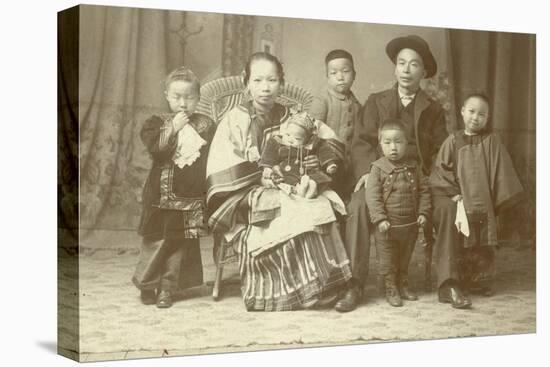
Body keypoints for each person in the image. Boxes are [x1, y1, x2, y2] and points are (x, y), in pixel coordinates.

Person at [206, 52, 352, 311]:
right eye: (258, 80)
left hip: (292, 184)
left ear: (281, 83)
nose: (265, 87)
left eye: (272, 80)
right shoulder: (234, 119)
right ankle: (286, 291)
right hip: (247, 190)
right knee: (286, 209)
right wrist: (261, 175)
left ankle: (321, 284)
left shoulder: (293, 117)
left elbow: (329, 141)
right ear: (246, 82)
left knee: (318, 205)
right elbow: (222, 165)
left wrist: (316, 162)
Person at [339, 35, 447, 312]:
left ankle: (449, 281)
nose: (406, 70)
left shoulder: (433, 109)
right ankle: (355, 283)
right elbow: (361, 141)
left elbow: (439, 151)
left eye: (414, 65)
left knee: (446, 207)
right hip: (379, 177)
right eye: (401, 63)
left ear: (424, 72)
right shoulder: (376, 102)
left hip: (418, 181)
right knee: (359, 205)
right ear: (394, 68)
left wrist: (435, 181)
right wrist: (366, 172)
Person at [132, 66, 215, 308]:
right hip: (160, 195)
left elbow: (214, 156)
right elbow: (157, 149)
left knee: (180, 242)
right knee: (156, 240)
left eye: (189, 97)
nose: (183, 103)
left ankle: (168, 289)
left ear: (198, 98)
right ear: (167, 95)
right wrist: (174, 128)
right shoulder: (155, 124)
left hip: (191, 197)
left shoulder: (207, 125)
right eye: (177, 97)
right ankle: (148, 285)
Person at [429, 93, 523, 308]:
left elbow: (502, 172)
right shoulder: (453, 140)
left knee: (483, 238)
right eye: (471, 111)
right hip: (461, 199)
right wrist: (452, 191)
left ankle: (480, 281)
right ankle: (456, 282)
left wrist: (498, 199)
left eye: (482, 114)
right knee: (463, 235)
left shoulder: (492, 141)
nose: (475, 118)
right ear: (462, 111)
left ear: (488, 118)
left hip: (484, 199)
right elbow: (441, 170)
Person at [365, 120, 431, 307]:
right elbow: (372, 196)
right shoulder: (377, 168)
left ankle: (402, 283)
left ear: (407, 143)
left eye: (398, 142)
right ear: (380, 144)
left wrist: (423, 213)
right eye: (387, 143)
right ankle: (390, 286)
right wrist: (380, 219)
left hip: (409, 225)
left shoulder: (414, 166)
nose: (393, 147)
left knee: (405, 256)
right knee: (387, 258)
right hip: (387, 226)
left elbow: (424, 191)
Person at [308, 49, 362, 199]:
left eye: (345, 71)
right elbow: (310, 132)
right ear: (327, 77)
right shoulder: (322, 101)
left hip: (350, 167)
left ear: (354, 75)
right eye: (333, 73)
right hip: (325, 164)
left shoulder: (358, 104)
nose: (340, 77)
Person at [259, 111, 338, 198]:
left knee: (317, 179)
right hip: (286, 171)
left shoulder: (312, 143)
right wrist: (267, 168)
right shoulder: (277, 142)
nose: (290, 140)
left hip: (307, 172)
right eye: (287, 134)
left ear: (307, 139)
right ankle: (301, 190)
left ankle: (311, 188)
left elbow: (325, 150)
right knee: (282, 179)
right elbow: (269, 155)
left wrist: (330, 163)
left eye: (297, 138)